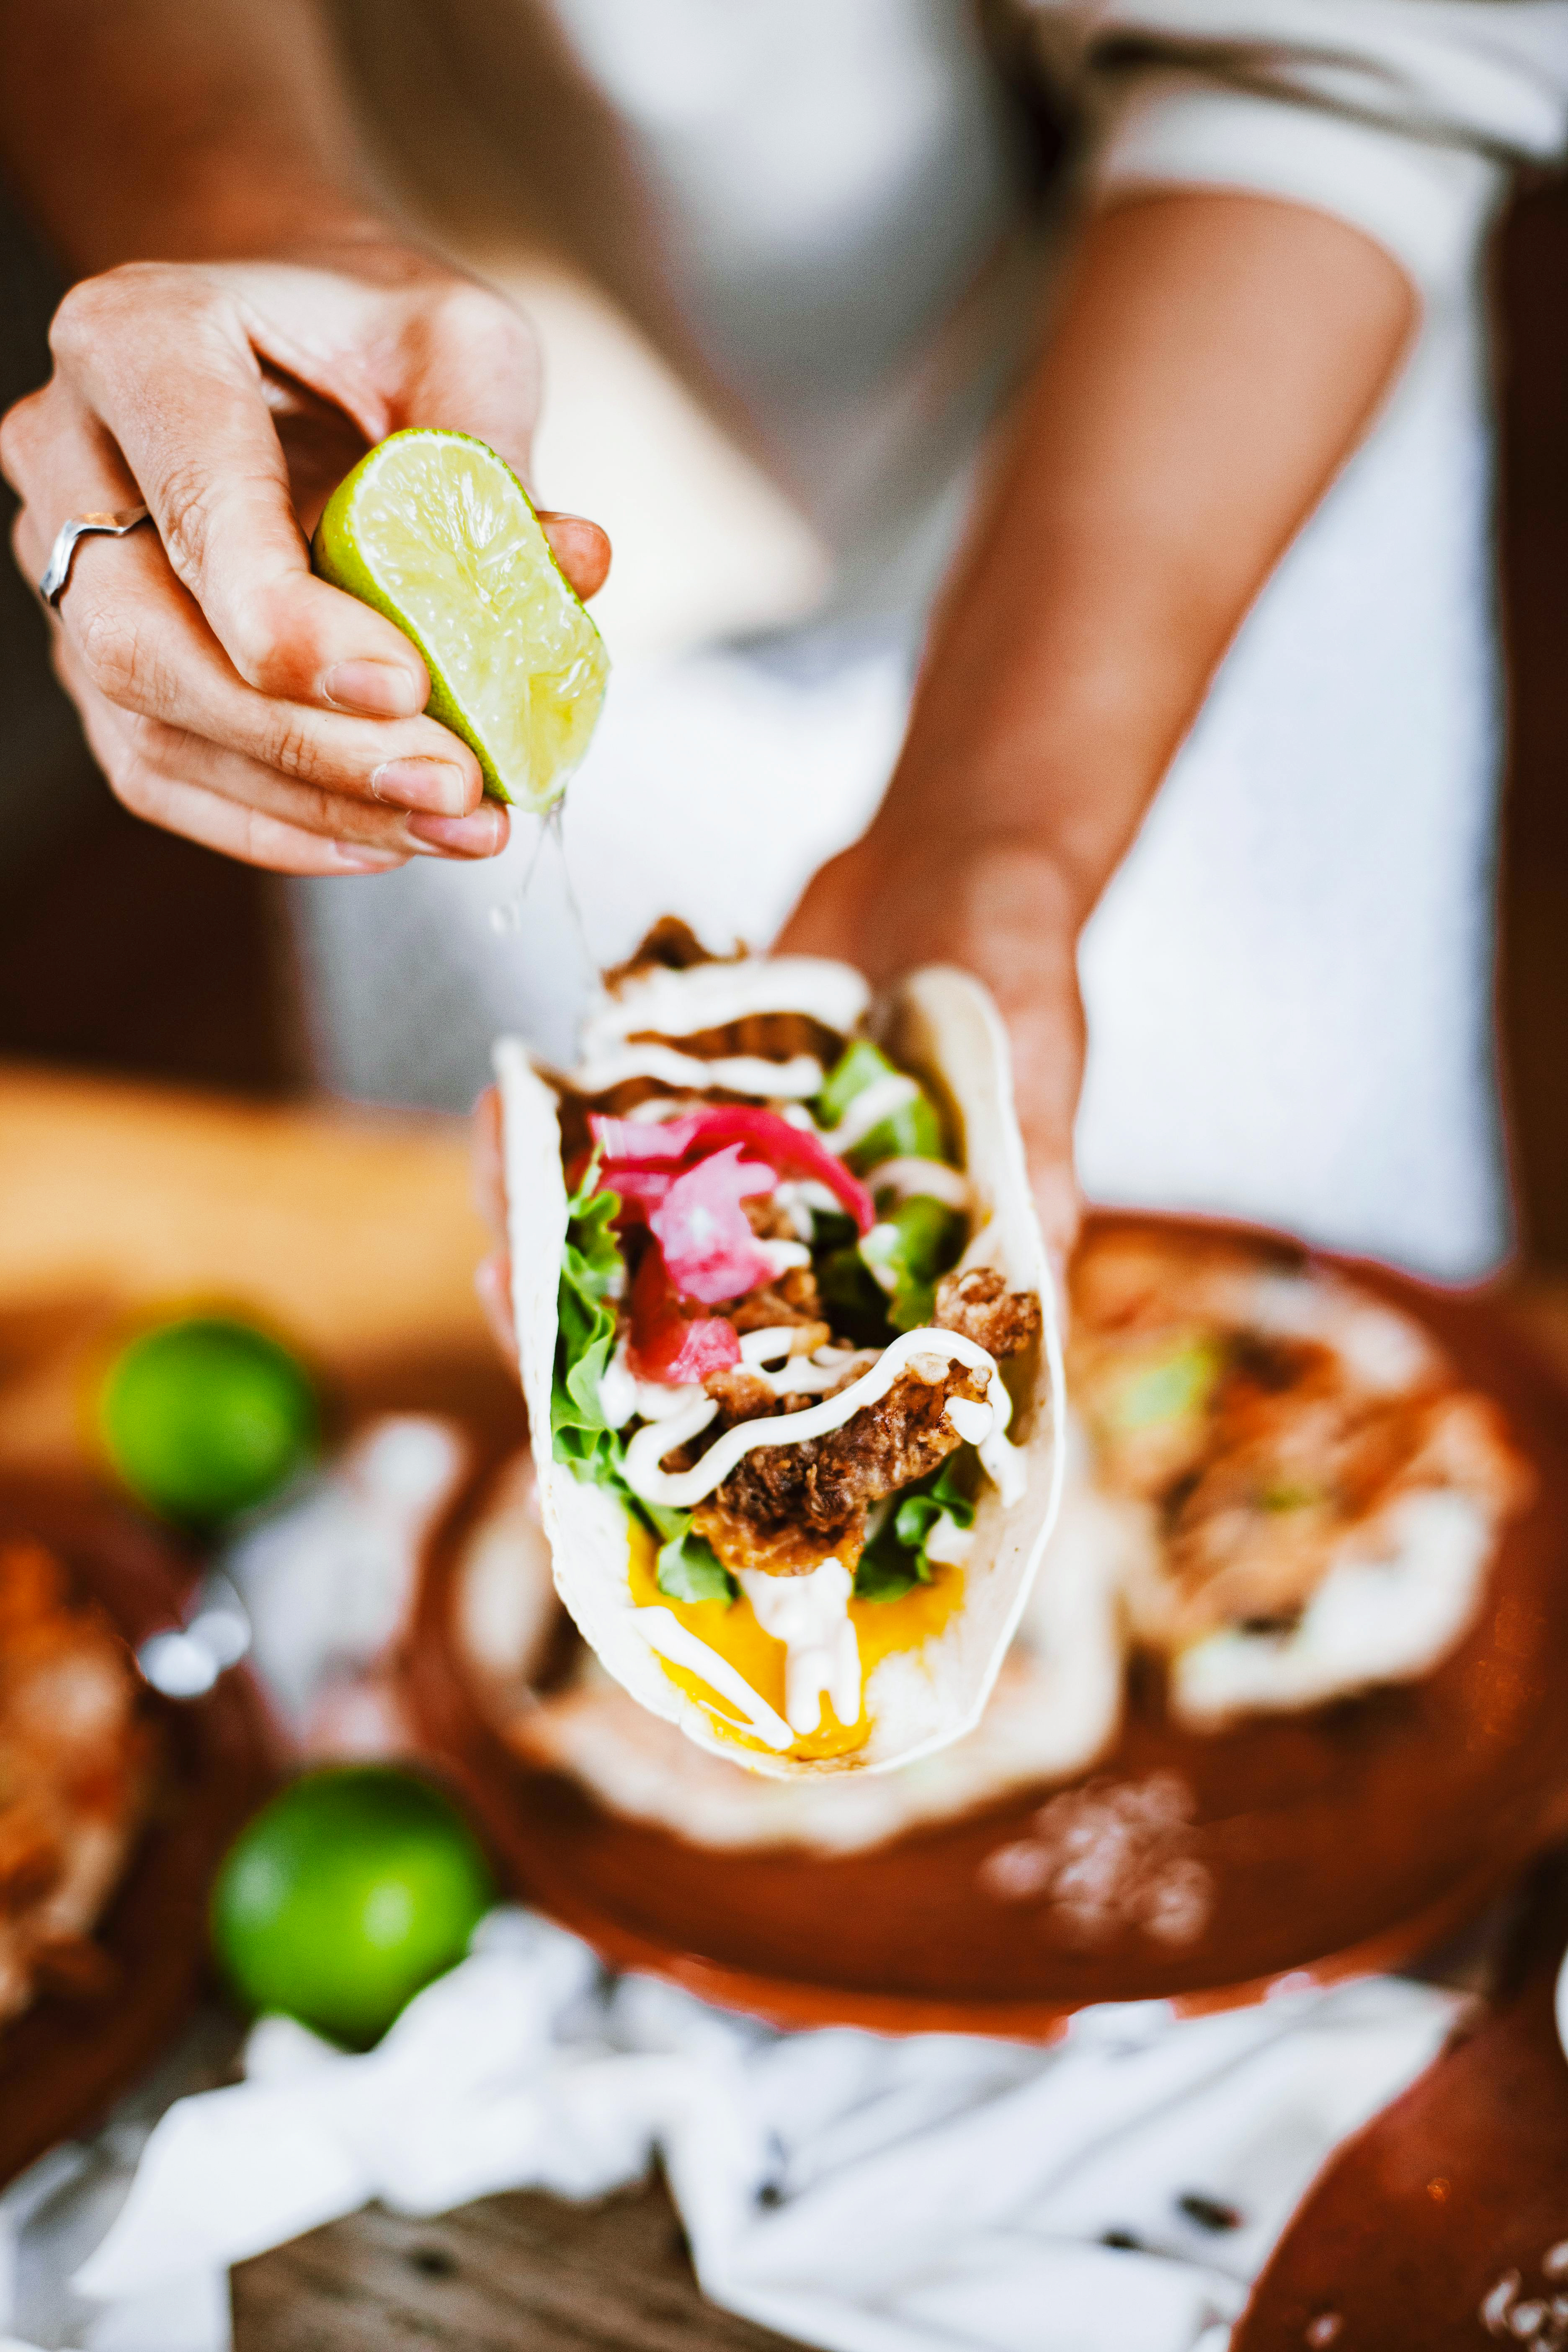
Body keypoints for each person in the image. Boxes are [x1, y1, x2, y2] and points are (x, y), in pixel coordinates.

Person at [4, 1, 1568, 1280]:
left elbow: (1343, 72)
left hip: (1202, 424)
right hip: (436, 496)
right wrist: (231, 227)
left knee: (1311, 1281)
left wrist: (997, 835)